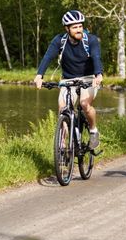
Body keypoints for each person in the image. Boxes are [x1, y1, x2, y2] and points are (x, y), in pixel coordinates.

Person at [33, 10, 105, 148]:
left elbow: (96, 57)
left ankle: (93, 130)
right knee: (63, 108)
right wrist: (39, 75)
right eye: (74, 27)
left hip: (89, 78)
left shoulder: (91, 40)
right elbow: (48, 57)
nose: (78, 30)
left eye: (80, 26)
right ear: (67, 29)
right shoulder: (60, 40)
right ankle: (63, 144)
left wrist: (98, 74)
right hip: (68, 79)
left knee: (84, 104)